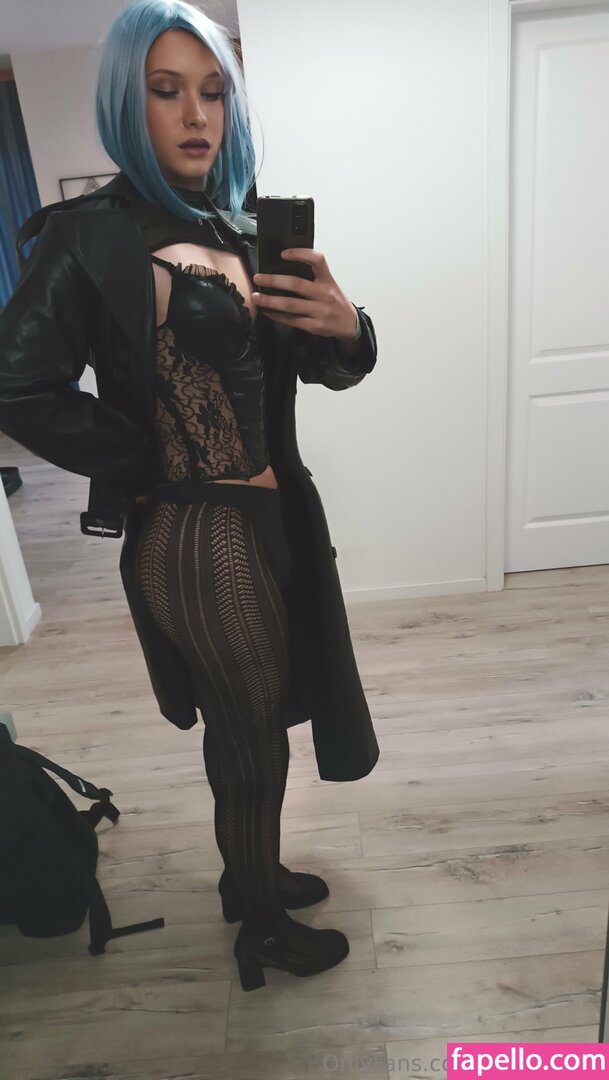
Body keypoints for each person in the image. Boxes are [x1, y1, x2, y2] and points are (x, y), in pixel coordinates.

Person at [0, 0, 380, 991]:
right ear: (126, 105)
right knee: (251, 740)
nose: (195, 113)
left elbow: (330, 371)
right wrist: (134, 455)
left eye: (213, 90)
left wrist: (346, 325)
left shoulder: (245, 230)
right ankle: (262, 931)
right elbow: (15, 382)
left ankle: (249, 877)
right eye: (165, 91)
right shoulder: (91, 237)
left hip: (275, 518)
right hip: (197, 538)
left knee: (250, 726)